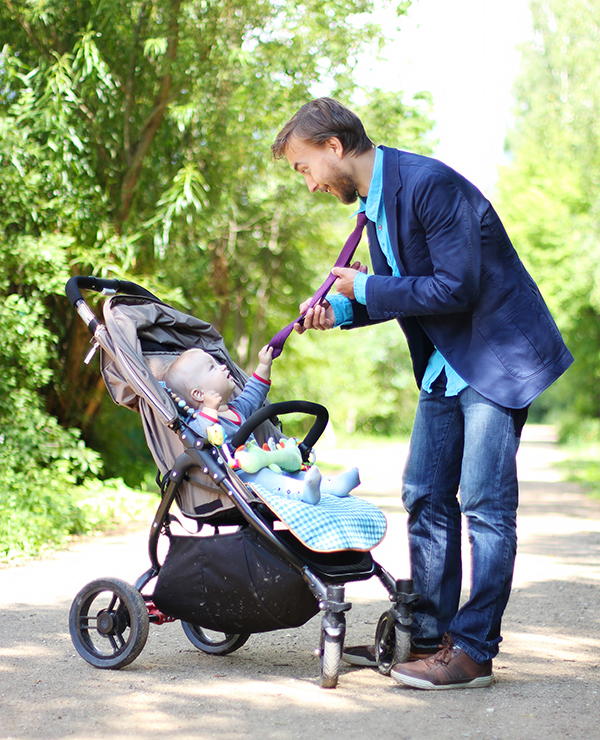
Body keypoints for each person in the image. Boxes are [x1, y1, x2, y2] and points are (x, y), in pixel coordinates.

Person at [271, 97, 573, 689]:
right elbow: (403, 293)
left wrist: (366, 286)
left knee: (485, 508)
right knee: (425, 495)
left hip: (495, 358)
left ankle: (473, 652)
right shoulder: (376, 206)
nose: (307, 185)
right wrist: (339, 309)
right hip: (445, 363)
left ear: (333, 147)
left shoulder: (430, 185)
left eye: (304, 168)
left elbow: (454, 288)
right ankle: (429, 638)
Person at [163, 345, 360, 504]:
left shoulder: (236, 408)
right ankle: (304, 493)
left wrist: (264, 365)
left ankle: (332, 486)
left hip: (263, 463)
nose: (223, 366)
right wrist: (209, 411)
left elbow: (254, 392)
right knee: (267, 477)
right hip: (240, 477)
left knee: (291, 472)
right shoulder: (197, 421)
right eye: (213, 367)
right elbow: (202, 437)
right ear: (198, 394)